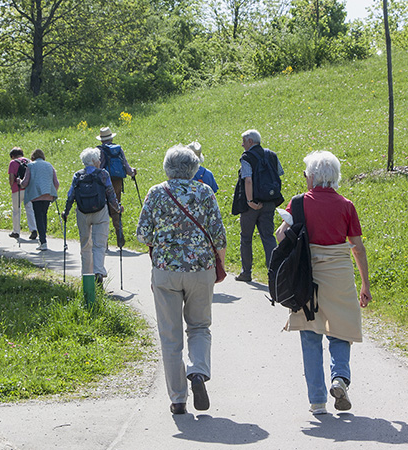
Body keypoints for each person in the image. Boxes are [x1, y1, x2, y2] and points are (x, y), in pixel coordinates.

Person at [276, 150, 372, 416]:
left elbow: (281, 238)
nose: (305, 177)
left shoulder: (298, 204)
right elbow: (358, 248)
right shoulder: (346, 205)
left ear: (314, 177)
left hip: (307, 275)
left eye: (306, 173)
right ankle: (339, 377)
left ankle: (317, 401)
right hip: (340, 274)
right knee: (340, 329)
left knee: (310, 334)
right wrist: (365, 284)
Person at [136, 144, 226, 415]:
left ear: (167, 167)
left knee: (170, 335)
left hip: (166, 271)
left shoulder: (156, 193)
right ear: (194, 168)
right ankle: (198, 371)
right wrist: (218, 266)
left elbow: (142, 235)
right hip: (200, 269)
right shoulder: (205, 191)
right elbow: (219, 236)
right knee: (199, 326)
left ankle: (178, 399)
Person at [62, 147, 122, 286]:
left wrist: (67, 211)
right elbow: (111, 193)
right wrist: (117, 209)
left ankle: (86, 275)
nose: (100, 161)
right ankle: (98, 272)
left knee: (85, 244)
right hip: (100, 212)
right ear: (94, 161)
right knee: (99, 244)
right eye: (99, 159)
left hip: (82, 212)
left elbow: (71, 194)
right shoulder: (103, 174)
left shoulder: (78, 175)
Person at [234, 129, 284, 282]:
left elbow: (247, 180)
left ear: (250, 141)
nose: (242, 144)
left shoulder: (247, 157)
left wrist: (250, 201)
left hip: (251, 204)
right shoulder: (271, 155)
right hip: (269, 202)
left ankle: (246, 272)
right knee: (268, 237)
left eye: (244, 141)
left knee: (246, 237)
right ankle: (274, 274)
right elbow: (279, 174)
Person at [97, 126, 136, 247]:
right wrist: (132, 172)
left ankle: (105, 241)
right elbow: (126, 166)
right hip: (117, 182)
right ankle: (119, 234)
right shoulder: (118, 149)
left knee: (103, 209)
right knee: (116, 207)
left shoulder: (98, 151)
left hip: (102, 182)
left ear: (101, 139)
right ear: (111, 138)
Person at [20, 149, 59, 251]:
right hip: (48, 194)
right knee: (44, 215)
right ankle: (43, 238)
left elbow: (25, 183)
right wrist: (53, 191)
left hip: (36, 195)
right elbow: (56, 183)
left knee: (38, 217)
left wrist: (19, 181)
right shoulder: (49, 165)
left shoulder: (30, 166)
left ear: (33, 157)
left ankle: (43, 241)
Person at [8, 148, 37, 240]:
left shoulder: (13, 162)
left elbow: (11, 177)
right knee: (30, 209)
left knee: (16, 210)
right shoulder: (29, 161)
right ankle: (33, 229)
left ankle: (16, 231)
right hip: (28, 189)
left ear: (12, 156)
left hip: (17, 188)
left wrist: (12, 186)